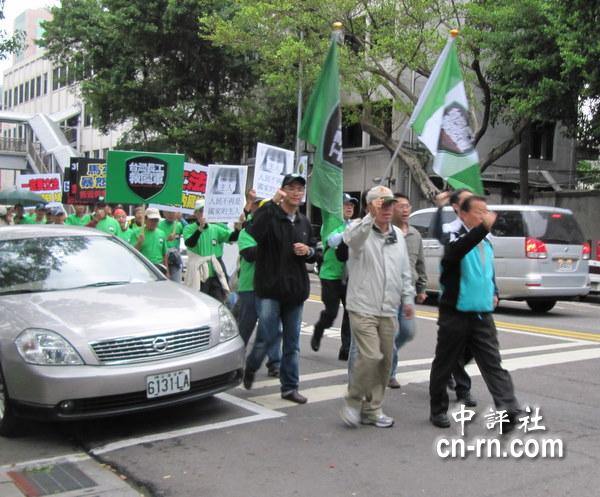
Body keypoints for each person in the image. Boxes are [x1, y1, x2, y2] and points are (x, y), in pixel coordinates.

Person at [429, 195, 521, 429]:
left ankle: (508, 409)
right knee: (445, 363)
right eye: (479, 211)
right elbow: (458, 250)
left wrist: (495, 290)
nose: (484, 215)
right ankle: (437, 409)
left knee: (493, 363)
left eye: (486, 211)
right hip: (455, 313)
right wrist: (482, 229)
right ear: (462, 214)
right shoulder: (454, 237)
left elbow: (487, 272)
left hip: (482, 313)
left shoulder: (486, 242)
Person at [339, 185, 414, 428]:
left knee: (385, 362)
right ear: (370, 206)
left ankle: (373, 409)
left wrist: (408, 299)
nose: (387, 208)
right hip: (362, 307)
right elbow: (350, 240)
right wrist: (369, 217)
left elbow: (404, 272)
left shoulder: (397, 236)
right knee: (370, 355)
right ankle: (353, 400)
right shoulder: (359, 230)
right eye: (382, 204)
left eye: (390, 204)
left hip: (388, 309)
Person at [243, 173, 317, 404]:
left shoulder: (304, 221)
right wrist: (272, 203)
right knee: (267, 338)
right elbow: (253, 231)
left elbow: (315, 250)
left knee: (292, 344)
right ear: (283, 191)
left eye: (300, 189)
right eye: (291, 188)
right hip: (269, 290)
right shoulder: (270, 217)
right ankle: (251, 366)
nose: (296, 193)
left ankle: (289, 387)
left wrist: (309, 251)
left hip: (295, 292)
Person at [430, 188, 477, 406]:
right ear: (457, 207)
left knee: (471, 347)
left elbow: (488, 263)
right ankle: (462, 389)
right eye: (468, 201)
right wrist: (440, 207)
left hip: (477, 299)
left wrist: (493, 290)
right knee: (455, 345)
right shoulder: (451, 229)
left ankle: (450, 369)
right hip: (454, 300)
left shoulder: (481, 229)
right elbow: (438, 233)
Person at [236, 191, 282, 377]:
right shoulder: (246, 233)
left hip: (269, 287)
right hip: (249, 287)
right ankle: (236, 360)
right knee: (245, 327)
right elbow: (250, 254)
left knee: (271, 327)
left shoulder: (277, 233)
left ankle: (275, 363)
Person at [388, 193, 428, 389]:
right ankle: (389, 372)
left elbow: (420, 262)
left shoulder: (415, 235)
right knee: (386, 333)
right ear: (392, 208)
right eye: (400, 206)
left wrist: (422, 287)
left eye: (407, 206)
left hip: (408, 292)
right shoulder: (386, 232)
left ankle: (386, 355)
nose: (405, 210)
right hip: (387, 291)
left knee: (408, 331)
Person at [310, 193, 357, 361]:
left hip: (348, 276)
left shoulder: (353, 225)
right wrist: (350, 232)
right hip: (330, 275)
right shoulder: (331, 223)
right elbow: (331, 241)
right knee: (331, 313)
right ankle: (319, 329)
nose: (350, 207)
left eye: (351, 205)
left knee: (350, 312)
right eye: (345, 204)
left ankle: (346, 348)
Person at [183, 199, 239, 302]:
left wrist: (238, 229)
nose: (204, 214)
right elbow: (190, 243)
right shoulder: (189, 228)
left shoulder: (215, 228)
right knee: (199, 302)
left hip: (215, 274)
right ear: (195, 213)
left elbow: (232, 238)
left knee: (219, 302)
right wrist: (199, 229)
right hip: (199, 275)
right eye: (201, 211)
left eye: (206, 211)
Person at [130, 207, 168, 272]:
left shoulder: (162, 233)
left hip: (158, 268)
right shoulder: (136, 233)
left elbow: (164, 254)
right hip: (143, 267)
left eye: (156, 220)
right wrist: (139, 243)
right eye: (152, 219)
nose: (154, 222)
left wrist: (167, 271)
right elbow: (131, 253)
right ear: (145, 219)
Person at [159, 211, 184, 282]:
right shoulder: (159, 225)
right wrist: (167, 239)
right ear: (164, 213)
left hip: (175, 259)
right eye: (168, 212)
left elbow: (189, 230)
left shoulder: (179, 225)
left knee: (177, 283)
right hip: (162, 258)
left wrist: (181, 219)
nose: (171, 215)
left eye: (173, 212)